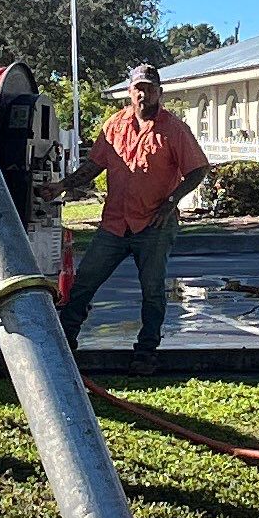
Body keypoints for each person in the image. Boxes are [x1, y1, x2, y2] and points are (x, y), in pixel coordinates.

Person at [59, 63, 209, 353]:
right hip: (114, 223)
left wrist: (171, 202)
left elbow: (198, 169)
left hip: (154, 225)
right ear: (130, 92)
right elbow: (94, 165)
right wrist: (62, 185)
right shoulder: (114, 125)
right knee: (84, 282)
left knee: (152, 290)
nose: (144, 94)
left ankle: (147, 349)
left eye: (150, 89)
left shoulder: (174, 129)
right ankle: (64, 342)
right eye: (139, 88)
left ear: (160, 93)